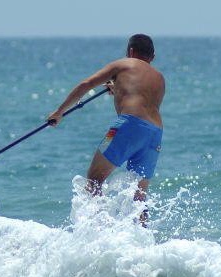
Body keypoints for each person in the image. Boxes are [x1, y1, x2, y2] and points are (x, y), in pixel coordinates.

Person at [46, 34, 165, 224]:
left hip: (129, 125)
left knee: (94, 179)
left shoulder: (124, 64)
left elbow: (86, 84)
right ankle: (142, 241)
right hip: (155, 134)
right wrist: (117, 87)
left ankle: (96, 231)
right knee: (139, 197)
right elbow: (141, 96)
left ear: (131, 52)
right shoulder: (159, 78)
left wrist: (59, 112)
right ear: (152, 57)